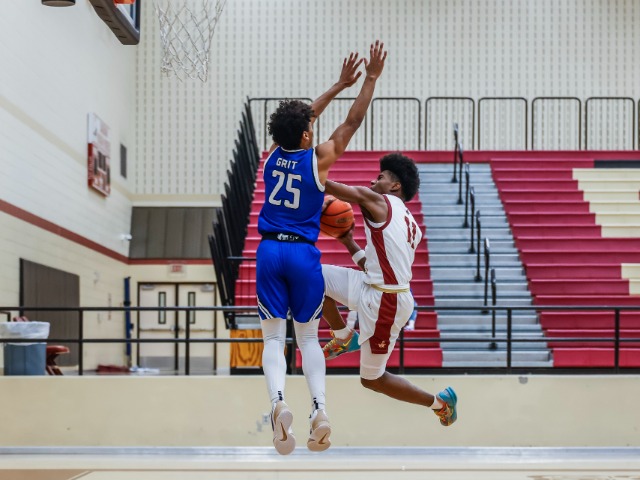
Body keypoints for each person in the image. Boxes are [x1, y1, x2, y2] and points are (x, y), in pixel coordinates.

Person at [256, 41, 387, 455]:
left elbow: (302, 118)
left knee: (273, 339)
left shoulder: (271, 157)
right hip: (302, 254)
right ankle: (320, 411)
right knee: (309, 339)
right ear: (307, 133)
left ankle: (278, 403)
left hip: (269, 252)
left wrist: (335, 85)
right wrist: (367, 79)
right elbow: (353, 120)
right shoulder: (319, 158)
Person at [320, 152, 458, 426]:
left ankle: (440, 404)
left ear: (395, 186)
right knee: (310, 275)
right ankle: (344, 335)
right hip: (376, 286)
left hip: (387, 301)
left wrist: (303, 169)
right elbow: (375, 267)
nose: (373, 181)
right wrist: (348, 241)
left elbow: (332, 188)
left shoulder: (381, 201)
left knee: (372, 379)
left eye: (380, 177)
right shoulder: (409, 223)